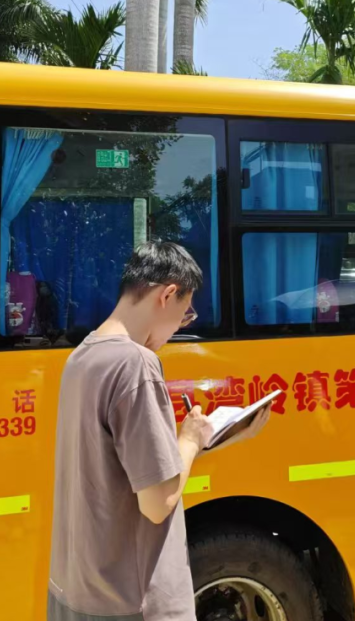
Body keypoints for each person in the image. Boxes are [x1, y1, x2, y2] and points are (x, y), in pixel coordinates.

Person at [47, 241, 267, 621]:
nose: (178, 329)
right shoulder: (135, 363)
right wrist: (191, 439)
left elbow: (120, 468)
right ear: (167, 295)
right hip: (132, 602)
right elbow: (157, 503)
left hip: (79, 591)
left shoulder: (83, 354)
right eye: (184, 315)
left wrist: (196, 442)